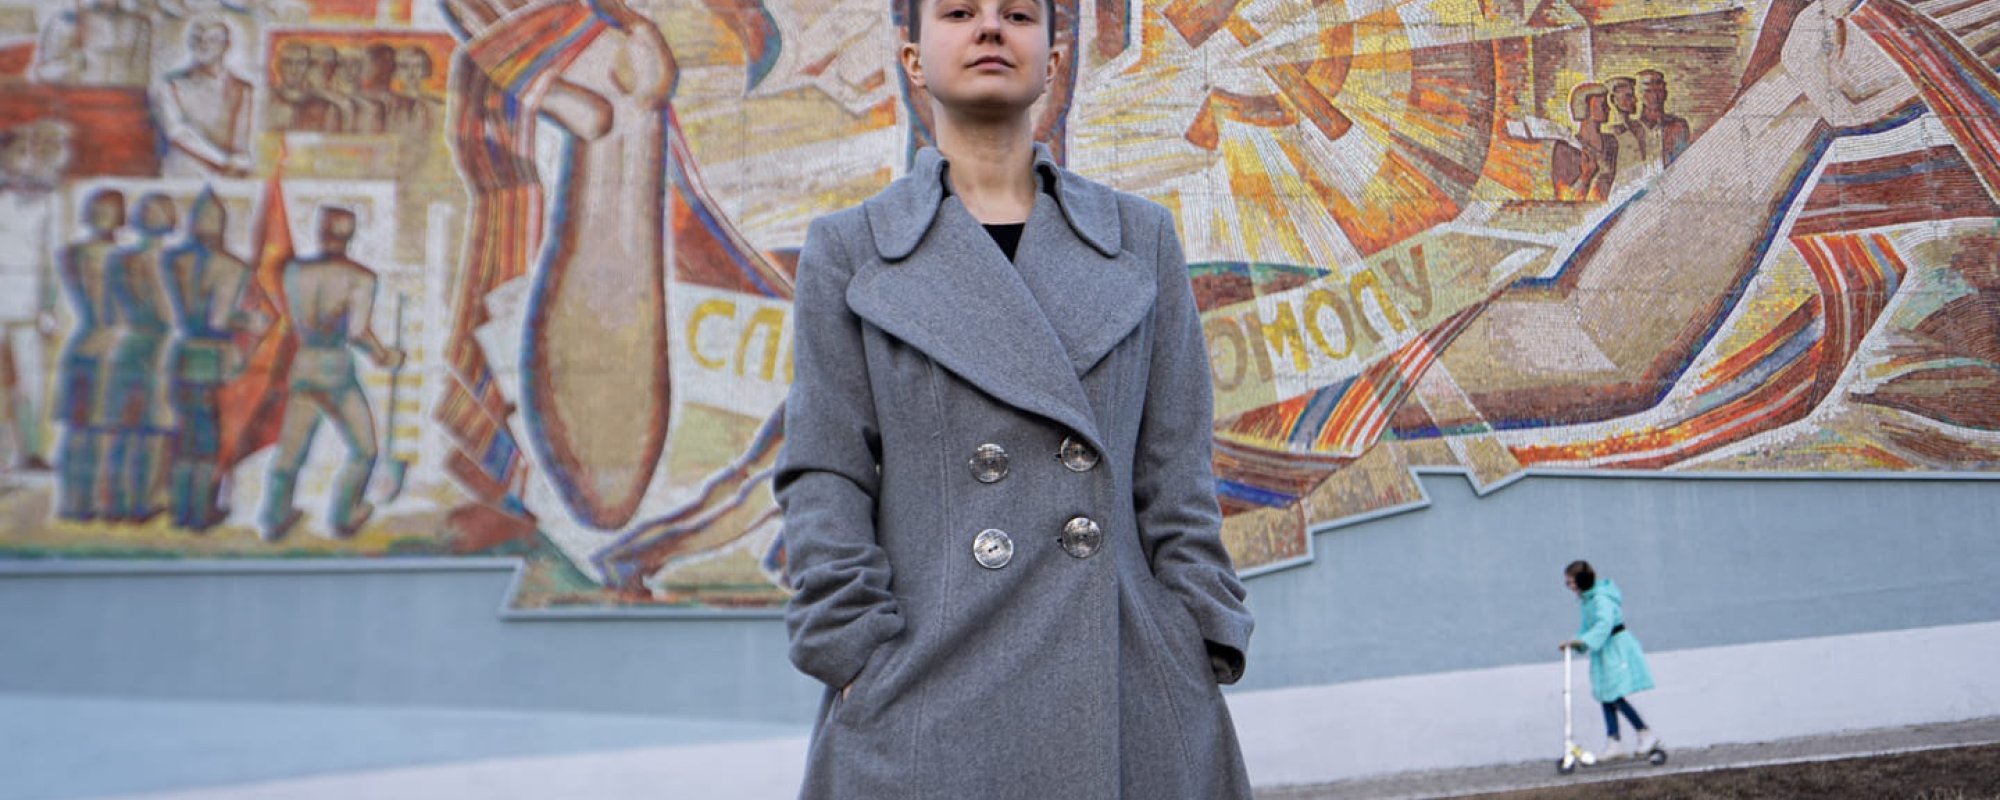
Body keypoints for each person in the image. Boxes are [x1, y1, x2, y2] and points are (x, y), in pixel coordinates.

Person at [775, 0, 1255, 797]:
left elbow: (1176, 472)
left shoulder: (1139, 241)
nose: (991, 28)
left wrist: (1196, 631)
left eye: (1019, 14)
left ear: (1055, 62)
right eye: (960, 11)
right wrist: (852, 649)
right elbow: (826, 472)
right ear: (913, 58)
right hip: (922, 691)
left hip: (1128, 682)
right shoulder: (852, 250)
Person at [258, 207, 402, 541]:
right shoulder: (360, 277)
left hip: (304, 364)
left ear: (321, 230)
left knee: (290, 452)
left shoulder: (294, 271)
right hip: (335, 368)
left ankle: (275, 517)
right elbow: (357, 331)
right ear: (350, 234)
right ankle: (343, 515)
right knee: (364, 449)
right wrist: (384, 356)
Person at [1560, 560, 1659, 760]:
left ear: (1582, 580)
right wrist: (1575, 642)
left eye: (1571, 582)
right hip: (1604, 648)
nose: (1569, 586)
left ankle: (1645, 733)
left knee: (1614, 694)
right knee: (1605, 693)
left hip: (1616, 647)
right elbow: (1587, 627)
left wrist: (1584, 641)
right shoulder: (1587, 601)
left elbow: (1604, 624)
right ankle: (1614, 742)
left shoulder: (1600, 598)